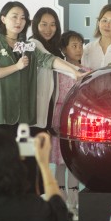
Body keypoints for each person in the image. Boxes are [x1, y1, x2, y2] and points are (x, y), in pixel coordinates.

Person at [0, 1, 84, 191]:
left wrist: (74, 72)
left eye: (23, 18)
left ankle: (25, 205)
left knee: (26, 165)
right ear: (3, 19)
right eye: (14, 17)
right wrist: (16, 66)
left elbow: (49, 60)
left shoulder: (28, 46)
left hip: (24, 120)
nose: (18, 21)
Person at [53, 31, 89, 220]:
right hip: (60, 118)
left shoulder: (88, 71)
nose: (79, 49)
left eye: (81, 45)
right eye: (74, 45)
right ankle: (61, 203)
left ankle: (73, 204)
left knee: (73, 162)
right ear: (63, 49)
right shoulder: (58, 69)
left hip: (78, 120)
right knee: (60, 161)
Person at [29, 7, 63, 135]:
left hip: (49, 103)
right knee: (32, 143)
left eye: (52, 25)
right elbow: (51, 60)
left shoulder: (55, 49)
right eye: (44, 24)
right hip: (34, 106)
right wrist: (77, 71)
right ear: (36, 25)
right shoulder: (32, 44)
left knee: (43, 143)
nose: (48, 29)